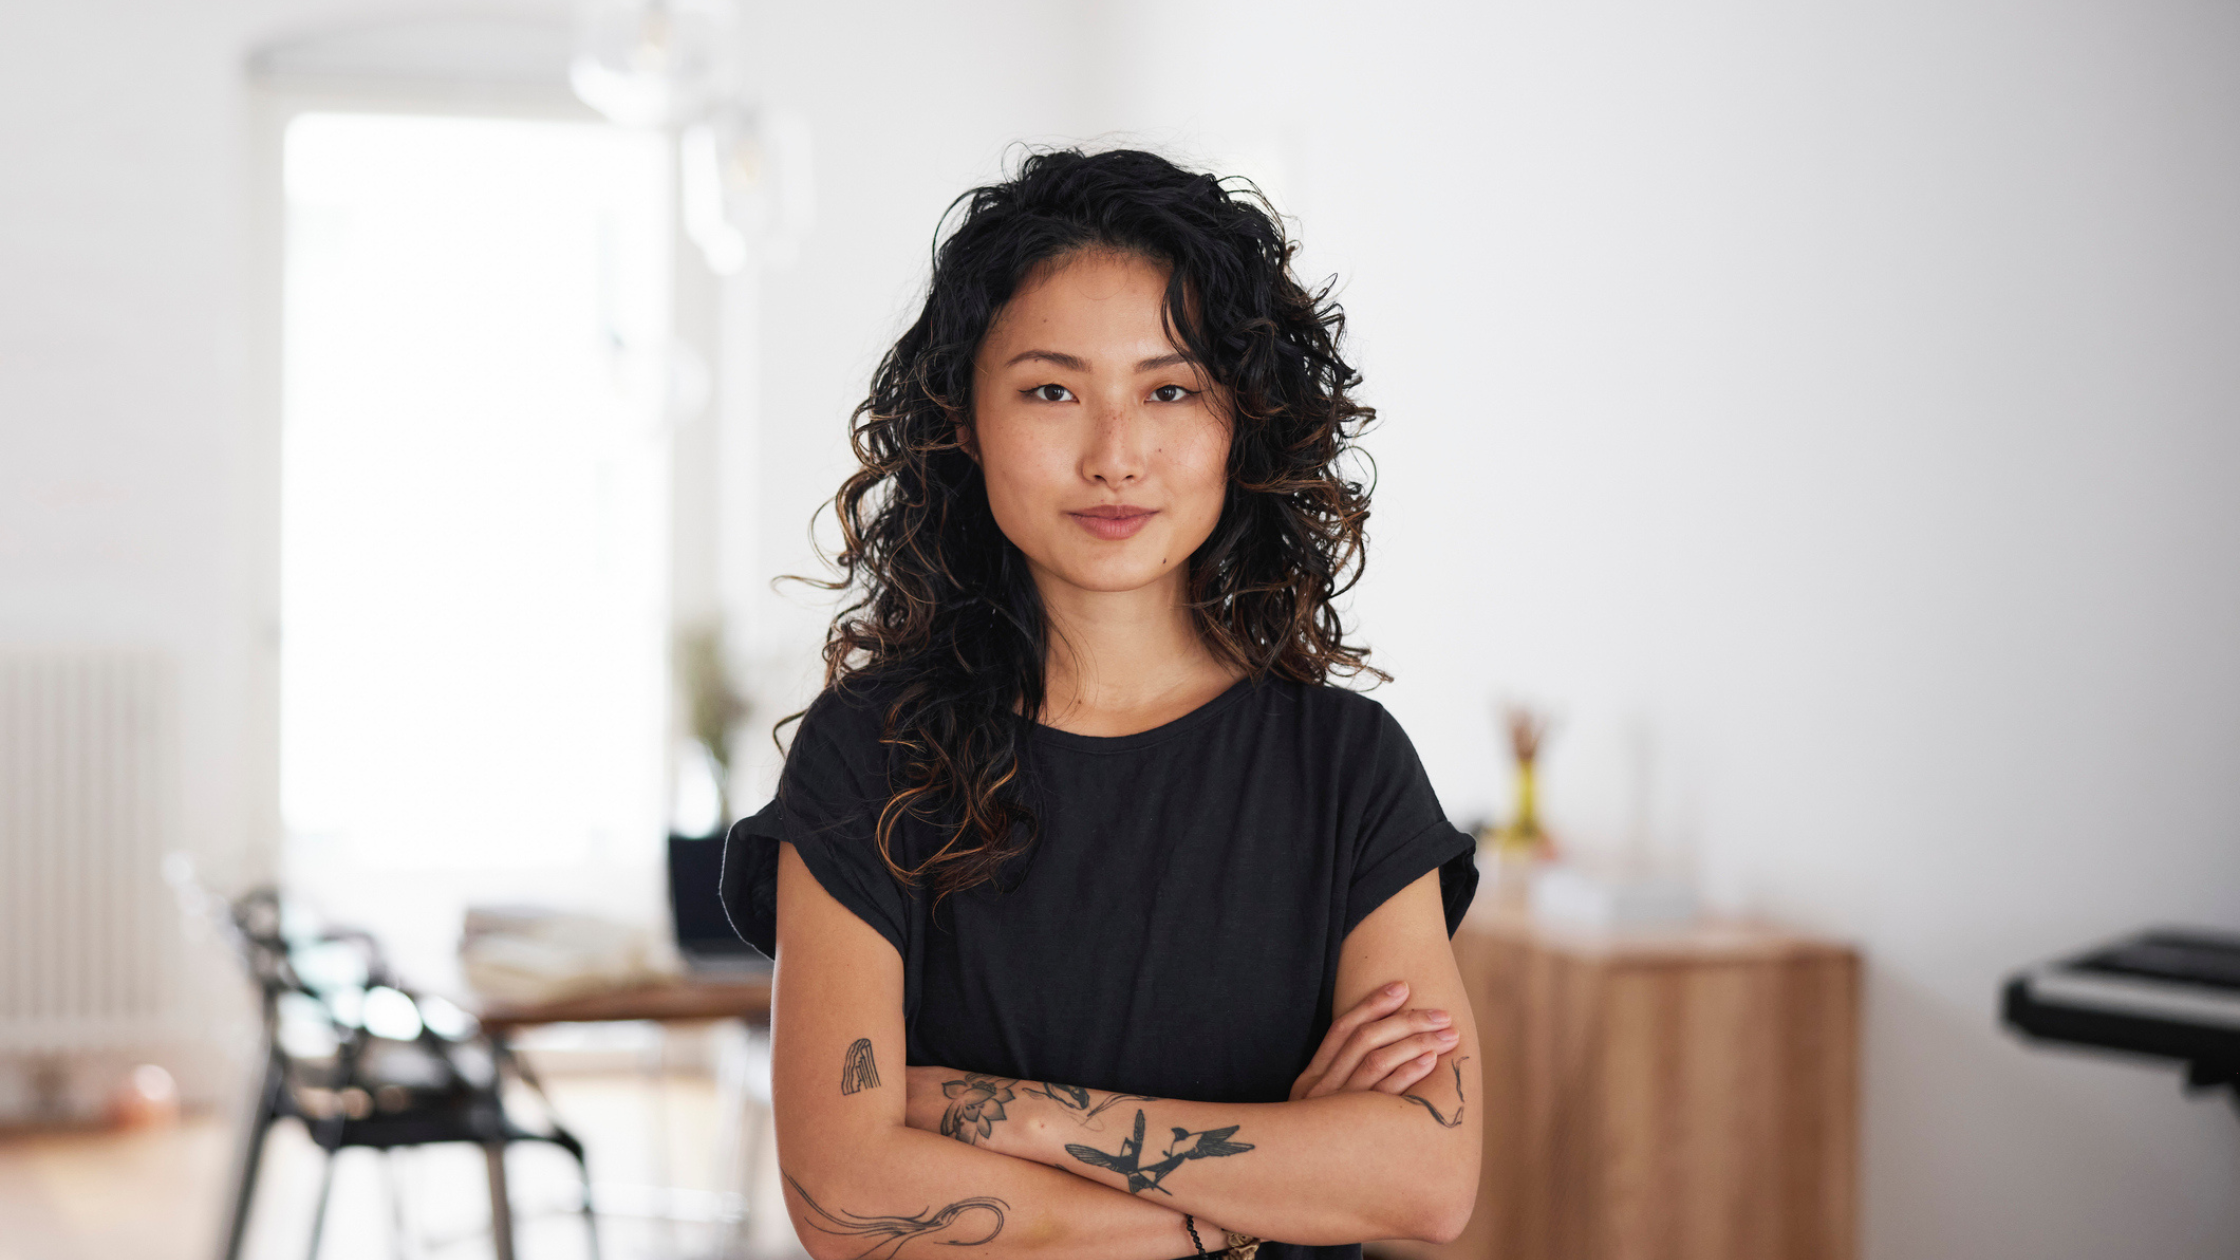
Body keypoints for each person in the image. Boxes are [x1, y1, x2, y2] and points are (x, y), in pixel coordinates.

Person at [721, 148, 1482, 1260]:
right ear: (966, 423)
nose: (1115, 455)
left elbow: (1425, 1180)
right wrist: (1259, 1203)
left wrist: (1010, 1117)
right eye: (1050, 391)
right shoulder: (866, 758)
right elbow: (845, 1197)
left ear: (1239, 424)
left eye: (1169, 390)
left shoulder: (1347, 769)